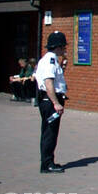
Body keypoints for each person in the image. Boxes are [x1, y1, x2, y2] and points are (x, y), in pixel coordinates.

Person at [34, 32, 68, 173]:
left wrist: (63, 67)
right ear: (57, 46)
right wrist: (56, 103)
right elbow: (49, 83)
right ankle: (47, 164)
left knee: (49, 132)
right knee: (50, 133)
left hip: (49, 100)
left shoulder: (50, 59)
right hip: (50, 101)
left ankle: (48, 161)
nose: (64, 49)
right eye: (63, 46)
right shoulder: (50, 60)